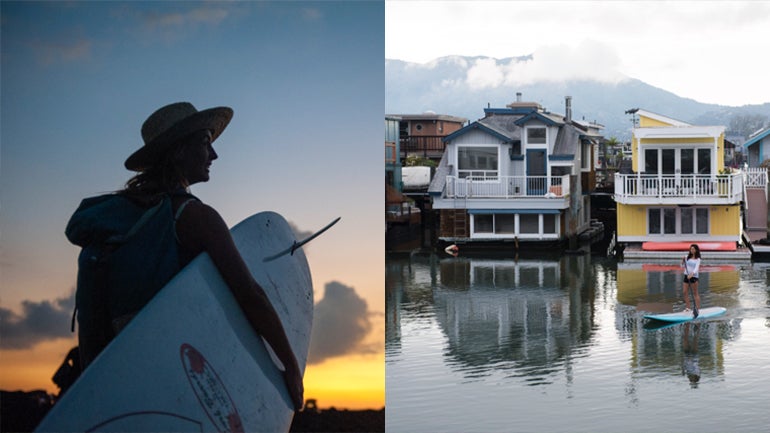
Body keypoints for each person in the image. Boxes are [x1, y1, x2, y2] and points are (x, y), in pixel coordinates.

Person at [66, 102, 303, 410]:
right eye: (205, 143)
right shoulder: (194, 217)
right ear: (179, 151)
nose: (214, 155)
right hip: (169, 377)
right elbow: (249, 295)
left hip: (110, 376)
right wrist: (290, 365)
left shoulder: (123, 215)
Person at [681, 243, 701, 318]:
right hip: (686, 276)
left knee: (695, 293)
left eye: (693, 249)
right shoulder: (687, 257)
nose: (691, 250)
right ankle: (688, 308)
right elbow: (682, 266)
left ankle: (697, 309)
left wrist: (692, 274)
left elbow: (696, 268)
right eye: (691, 249)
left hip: (694, 277)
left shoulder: (698, 259)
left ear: (696, 250)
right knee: (684, 292)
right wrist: (682, 261)